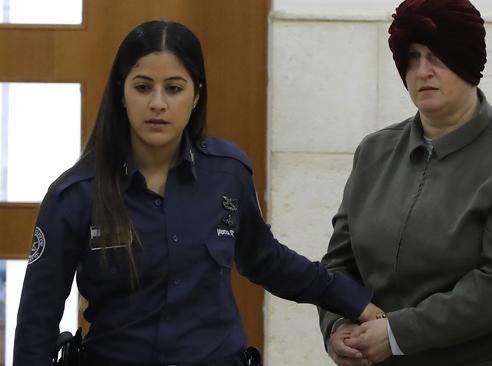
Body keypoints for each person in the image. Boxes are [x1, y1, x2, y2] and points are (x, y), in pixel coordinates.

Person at [13, 20, 381, 366]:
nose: (158, 103)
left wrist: (353, 300)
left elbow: (267, 260)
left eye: (174, 88)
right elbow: (37, 319)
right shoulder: (74, 194)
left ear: (195, 95)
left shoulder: (228, 172)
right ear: (122, 94)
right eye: (142, 87)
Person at [318, 0, 492, 365]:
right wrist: (338, 328)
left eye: (438, 56)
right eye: (411, 57)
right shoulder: (374, 152)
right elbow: (339, 263)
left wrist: (398, 333)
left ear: (469, 61)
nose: (422, 70)